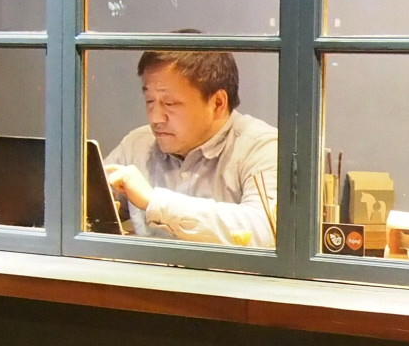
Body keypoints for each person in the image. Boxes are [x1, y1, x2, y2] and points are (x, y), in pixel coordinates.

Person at [103, 49, 278, 246]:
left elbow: (266, 230)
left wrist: (155, 202)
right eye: (150, 101)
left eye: (170, 103)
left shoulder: (263, 147)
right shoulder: (137, 144)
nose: (155, 118)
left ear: (218, 103)